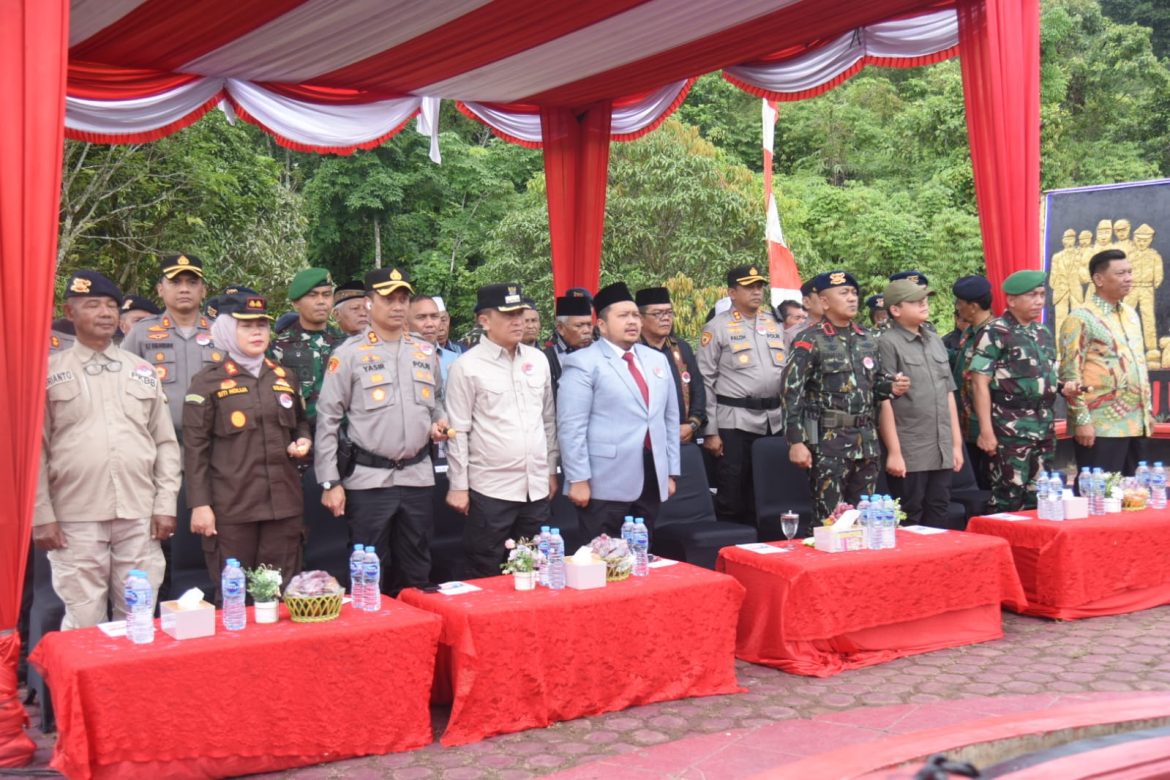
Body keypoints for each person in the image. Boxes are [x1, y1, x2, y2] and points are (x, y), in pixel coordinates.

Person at [34, 270, 179, 629]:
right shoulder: (47, 374)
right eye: (92, 305)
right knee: (84, 620)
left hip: (138, 514)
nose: (105, 313)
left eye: (111, 305)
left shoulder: (142, 371)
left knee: (139, 616)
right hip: (75, 516)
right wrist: (42, 515)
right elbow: (35, 451)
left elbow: (164, 443)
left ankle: (135, 687)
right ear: (69, 313)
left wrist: (164, 505)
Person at [315, 266, 449, 594]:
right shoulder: (348, 354)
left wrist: (440, 422)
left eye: (403, 298)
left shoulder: (424, 350)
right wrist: (330, 481)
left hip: (417, 475)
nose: (398, 306)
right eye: (389, 299)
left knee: (417, 565)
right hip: (369, 479)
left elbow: (438, 403)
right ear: (369, 303)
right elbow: (328, 418)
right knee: (369, 570)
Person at [183, 292, 312, 589]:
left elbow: (301, 424)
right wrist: (200, 505)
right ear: (227, 330)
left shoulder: (284, 376)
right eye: (246, 325)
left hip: (283, 506)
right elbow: (195, 449)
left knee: (279, 596)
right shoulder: (208, 381)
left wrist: (303, 442)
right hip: (233, 509)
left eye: (262, 325)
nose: (257, 332)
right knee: (235, 599)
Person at [445, 284, 558, 577]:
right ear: (484, 320)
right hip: (490, 490)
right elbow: (457, 430)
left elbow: (547, 420)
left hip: (535, 487)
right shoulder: (466, 366)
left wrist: (550, 470)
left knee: (534, 568)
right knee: (487, 569)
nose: (518, 320)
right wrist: (458, 485)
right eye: (509, 314)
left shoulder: (538, 360)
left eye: (520, 313)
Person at [781, 270, 909, 522]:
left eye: (854, 293)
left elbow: (876, 386)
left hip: (867, 442)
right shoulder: (809, 339)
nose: (852, 298)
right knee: (830, 521)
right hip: (829, 443)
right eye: (844, 293)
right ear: (825, 302)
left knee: (866, 519)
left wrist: (892, 387)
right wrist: (795, 442)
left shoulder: (868, 338)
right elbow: (790, 392)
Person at [558, 282, 680, 543]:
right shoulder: (582, 362)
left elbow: (669, 420)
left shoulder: (656, 359)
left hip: (650, 474)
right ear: (601, 325)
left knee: (642, 554)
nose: (632, 321)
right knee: (603, 560)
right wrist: (578, 479)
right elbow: (571, 427)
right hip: (604, 480)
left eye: (636, 315)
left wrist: (670, 472)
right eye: (623, 316)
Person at [969, 270, 1080, 511]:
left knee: (1041, 494)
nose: (1039, 301)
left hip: (1043, 425)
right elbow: (979, 382)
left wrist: (1063, 388)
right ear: (1011, 300)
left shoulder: (1042, 333)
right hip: (1009, 428)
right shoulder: (995, 332)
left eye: (1042, 295)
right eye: (1032, 295)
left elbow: (1040, 377)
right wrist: (985, 431)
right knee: (1008, 495)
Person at [697, 265, 785, 526]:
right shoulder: (717, 327)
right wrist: (710, 430)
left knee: (770, 489)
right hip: (734, 421)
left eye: (759, 287)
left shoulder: (774, 323)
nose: (757, 292)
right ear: (732, 292)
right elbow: (705, 380)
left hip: (773, 419)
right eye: (749, 287)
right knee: (733, 491)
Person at [876, 280, 963, 527]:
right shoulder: (887, 342)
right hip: (910, 446)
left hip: (941, 445)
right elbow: (884, 400)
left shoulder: (934, 339)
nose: (924, 303)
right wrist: (893, 452)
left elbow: (949, 393)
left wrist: (956, 445)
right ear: (896, 310)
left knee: (939, 509)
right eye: (915, 301)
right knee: (909, 513)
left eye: (925, 298)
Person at [1059, 249, 1152, 475]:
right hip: (1101, 426)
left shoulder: (1131, 314)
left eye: (1130, 272)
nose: (1129, 278)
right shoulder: (1080, 318)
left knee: (1133, 497)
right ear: (1098, 279)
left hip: (1136, 422)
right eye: (1121, 273)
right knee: (1101, 497)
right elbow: (1070, 376)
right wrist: (1081, 420)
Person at [122, 254, 219, 430]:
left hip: (214, 444)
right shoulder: (141, 332)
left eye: (192, 282)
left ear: (203, 290)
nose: (184, 289)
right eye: (175, 282)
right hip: (159, 441)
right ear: (160, 289)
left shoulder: (221, 334)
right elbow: (121, 385)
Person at [271, 268, 343, 426]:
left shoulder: (346, 344)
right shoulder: (278, 348)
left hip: (342, 439)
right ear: (296, 303)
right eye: (312, 295)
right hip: (299, 439)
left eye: (326, 294)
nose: (321, 302)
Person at [636, 286, 707, 443]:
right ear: (640, 318)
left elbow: (698, 389)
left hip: (684, 435)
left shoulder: (681, 348)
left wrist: (692, 425)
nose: (666, 318)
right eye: (657, 314)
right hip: (645, 440)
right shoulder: (632, 351)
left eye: (669, 312)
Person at [951, 275, 995, 488]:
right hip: (966, 427)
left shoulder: (994, 334)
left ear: (973, 306)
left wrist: (987, 430)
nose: (958, 309)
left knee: (988, 487)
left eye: (960, 303)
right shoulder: (968, 333)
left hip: (987, 430)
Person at [543, 291, 594, 400]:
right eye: (579, 326)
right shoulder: (546, 358)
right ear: (561, 328)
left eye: (589, 325)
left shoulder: (600, 352)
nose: (586, 331)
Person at [1125, 223, 1163, 360]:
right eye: (1139, 240)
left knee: (1148, 318)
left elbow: (1158, 272)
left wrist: (1156, 281)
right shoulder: (1130, 255)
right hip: (1132, 288)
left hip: (1147, 288)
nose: (1141, 243)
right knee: (1126, 315)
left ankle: (1151, 348)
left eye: (1145, 240)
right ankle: (1125, 345)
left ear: (1151, 240)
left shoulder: (1154, 256)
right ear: (1135, 239)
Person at [409, 294, 458, 384]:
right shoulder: (394, 359)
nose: (430, 324)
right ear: (405, 323)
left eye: (434, 316)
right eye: (421, 317)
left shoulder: (455, 360)